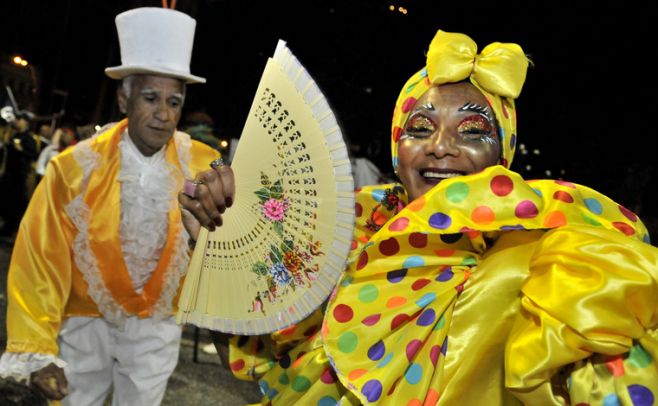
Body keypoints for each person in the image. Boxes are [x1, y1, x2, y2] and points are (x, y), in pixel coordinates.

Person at [183, 29, 658, 404]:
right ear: (396, 147)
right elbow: (268, 354)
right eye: (421, 127)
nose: (441, 146)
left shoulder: (541, 255)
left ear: (503, 155)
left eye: (471, 131)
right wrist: (222, 238)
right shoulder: (346, 231)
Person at [0, 6, 234, 405]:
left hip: (157, 328)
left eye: (174, 102)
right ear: (123, 100)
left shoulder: (204, 166)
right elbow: (39, 258)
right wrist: (37, 348)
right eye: (150, 98)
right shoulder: (74, 168)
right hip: (84, 322)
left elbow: (228, 246)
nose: (163, 115)